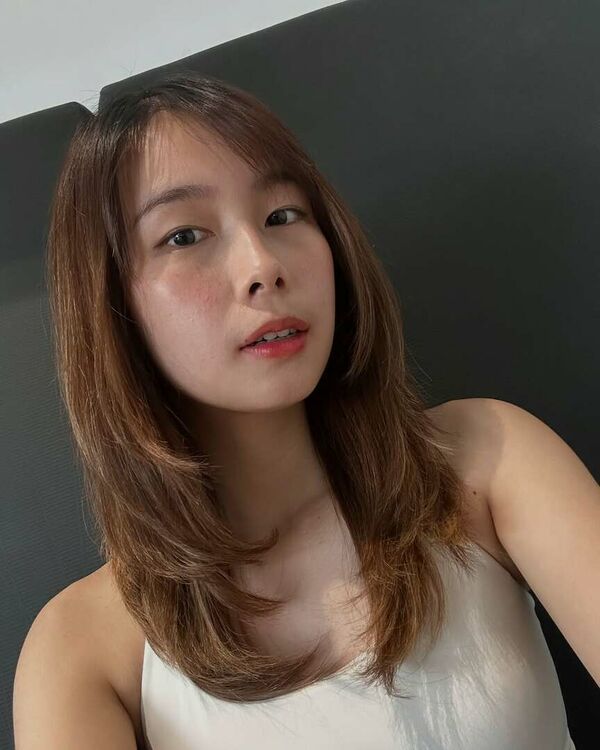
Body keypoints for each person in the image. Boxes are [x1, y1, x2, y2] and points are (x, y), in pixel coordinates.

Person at [13, 71, 575, 749]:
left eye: (282, 216)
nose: (262, 264)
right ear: (111, 304)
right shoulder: (82, 649)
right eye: (184, 236)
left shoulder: (487, 460)